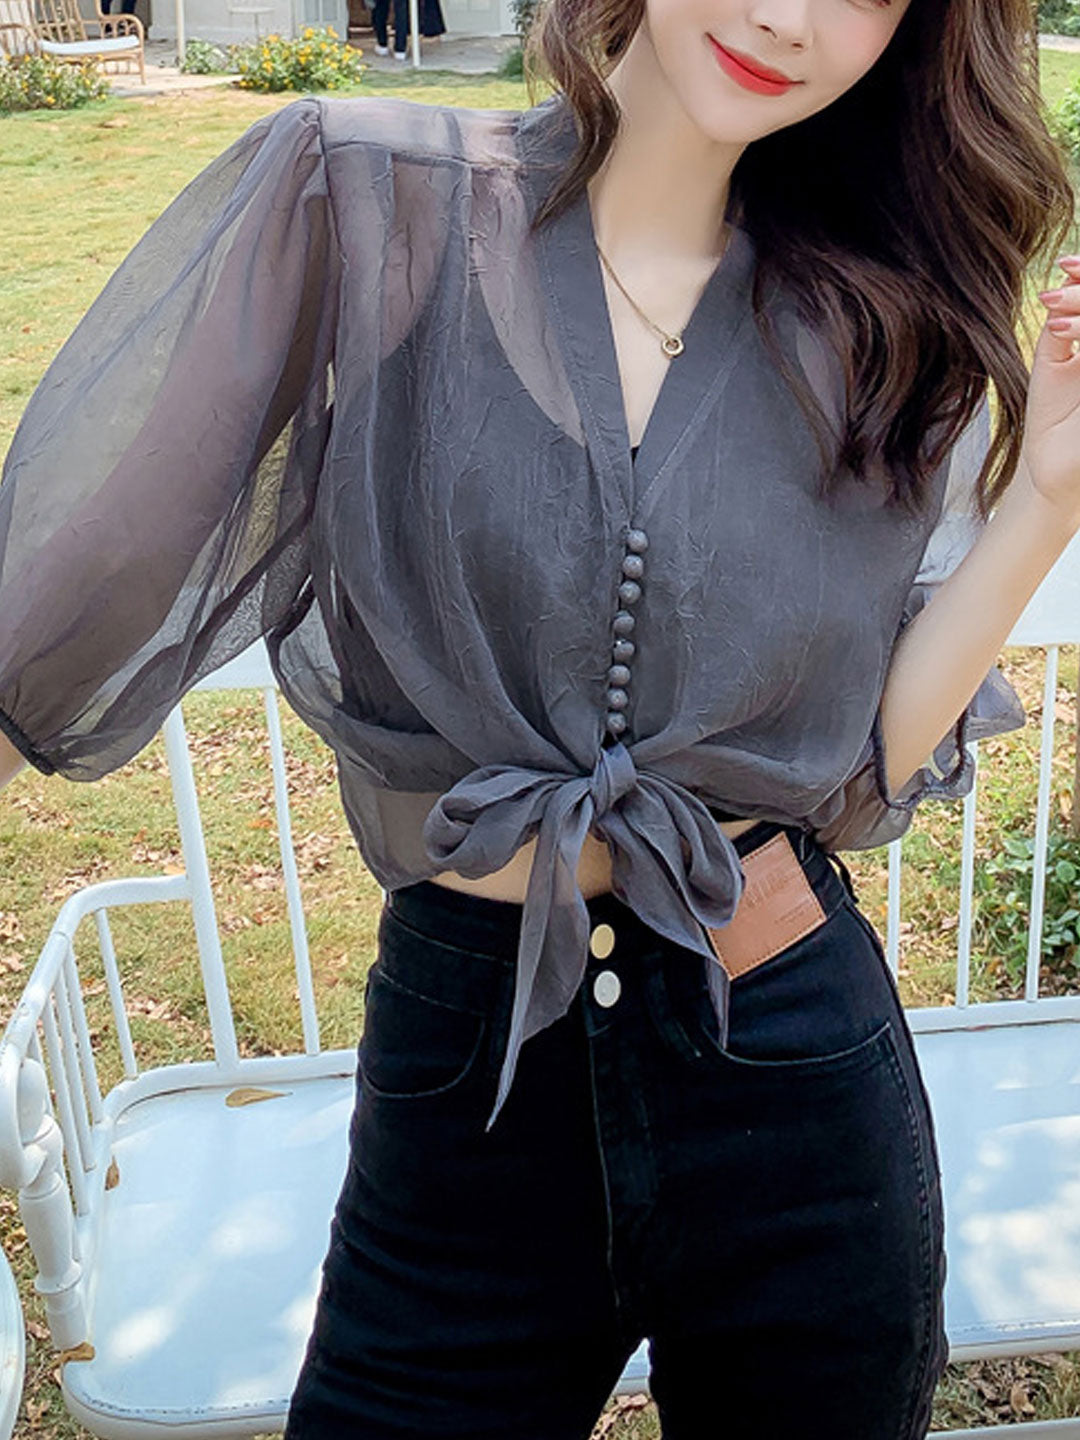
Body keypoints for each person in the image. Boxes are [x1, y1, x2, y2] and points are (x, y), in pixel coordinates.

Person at [0, 0, 1077, 1434]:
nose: (787, 18)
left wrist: (1049, 493)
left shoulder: (871, 315)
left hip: (794, 1075)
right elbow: (78, 594)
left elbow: (862, 758)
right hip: (469, 1079)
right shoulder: (369, 202)